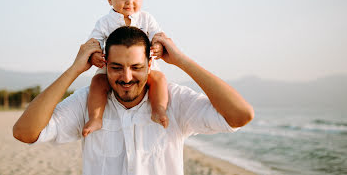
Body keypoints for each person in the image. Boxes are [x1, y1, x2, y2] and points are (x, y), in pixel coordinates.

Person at [13, 26, 254, 175]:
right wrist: (74, 69)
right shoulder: (87, 102)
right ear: (105, 64)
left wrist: (181, 60)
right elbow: (25, 132)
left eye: (136, 67)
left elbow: (241, 115)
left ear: (150, 64)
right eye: (116, 67)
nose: (126, 77)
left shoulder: (175, 100)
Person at [84, 0, 168, 137]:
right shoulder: (105, 22)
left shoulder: (147, 19)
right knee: (97, 83)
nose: (129, 2)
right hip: (112, 66)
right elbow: (94, 42)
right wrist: (95, 55)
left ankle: (158, 109)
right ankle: (96, 117)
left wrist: (158, 45)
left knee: (159, 79)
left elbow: (158, 35)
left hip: (142, 66)